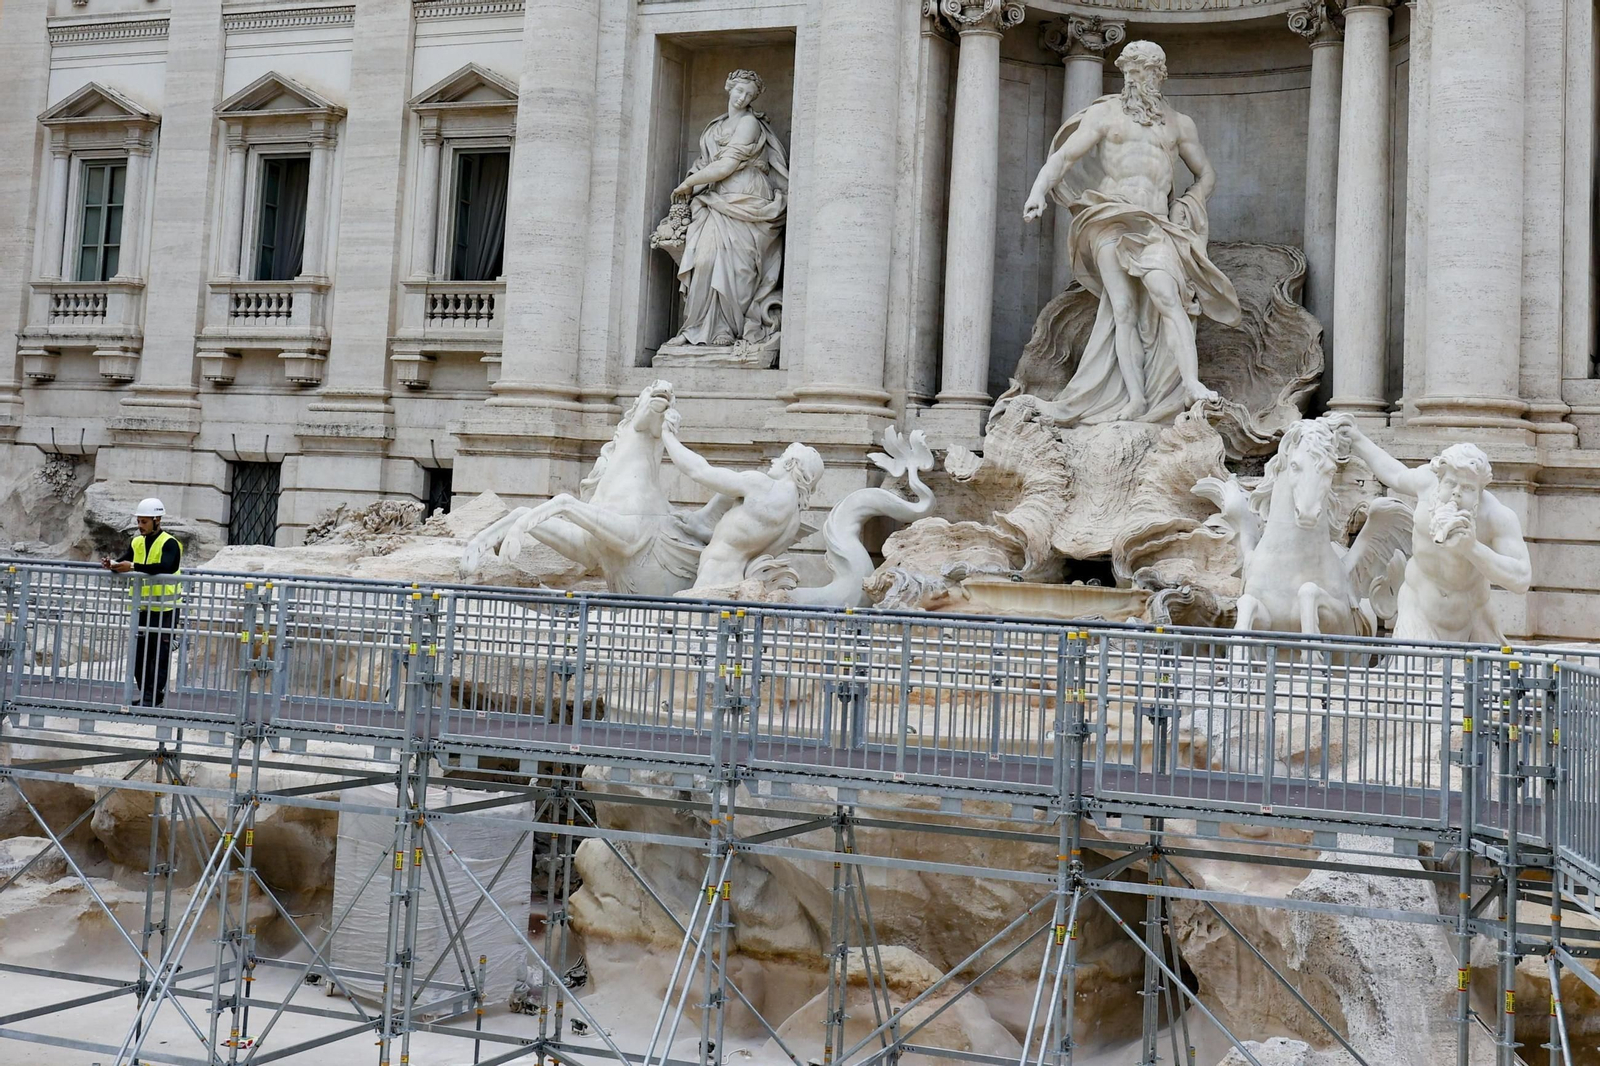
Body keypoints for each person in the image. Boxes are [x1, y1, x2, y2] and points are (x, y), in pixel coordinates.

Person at [1021, 40, 1241, 425]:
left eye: (1144, 71)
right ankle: (1136, 399)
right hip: (1110, 216)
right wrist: (1038, 191)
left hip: (1155, 223)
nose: (1136, 79)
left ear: (1160, 74)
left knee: (1168, 296)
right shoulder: (1106, 115)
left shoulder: (1178, 123)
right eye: (1131, 72)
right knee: (1121, 309)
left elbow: (1206, 174)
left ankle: (1190, 383)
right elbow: (1064, 157)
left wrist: (1187, 201)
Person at [1327, 416, 1532, 643]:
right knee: (1411, 676)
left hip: (1473, 618)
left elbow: (1521, 579)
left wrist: (1472, 548)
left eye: (1466, 488)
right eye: (1451, 483)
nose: (1456, 493)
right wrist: (1357, 439)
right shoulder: (1427, 482)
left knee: (1479, 678)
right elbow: (1394, 473)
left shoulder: (1497, 517)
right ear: (1440, 477)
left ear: (1480, 491)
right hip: (1417, 608)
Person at [660, 69, 789, 351]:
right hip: (716, 199)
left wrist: (690, 183)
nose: (743, 98)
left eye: (749, 95)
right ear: (728, 87)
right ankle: (695, 327)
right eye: (739, 91)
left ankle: (728, 329)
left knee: (739, 267)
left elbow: (727, 165)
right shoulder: (714, 126)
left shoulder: (749, 124)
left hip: (747, 197)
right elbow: (707, 162)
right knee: (704, 261)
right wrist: (695, 182)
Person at [660, 413, 822, 589]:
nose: (774, 461)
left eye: (781, 457)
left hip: (713, 579)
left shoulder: (763, 486)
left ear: (791, 464)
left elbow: (699, 471)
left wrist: (667, 435)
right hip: (734, 581)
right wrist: (700, 531)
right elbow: (742, 546)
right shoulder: (793, 520)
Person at [101, 498, 183, 707]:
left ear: (157, 520)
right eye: (138, 521)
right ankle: (149, 696)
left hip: (165, 610)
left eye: (144, 521)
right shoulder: (137, 542)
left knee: (159, 657)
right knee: (139, 658)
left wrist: (133, 566)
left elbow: (167, 566)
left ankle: (151, 698)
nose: (140, 525)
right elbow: (125, 562)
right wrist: (113, 565)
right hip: (143, 609)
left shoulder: (170, 543)